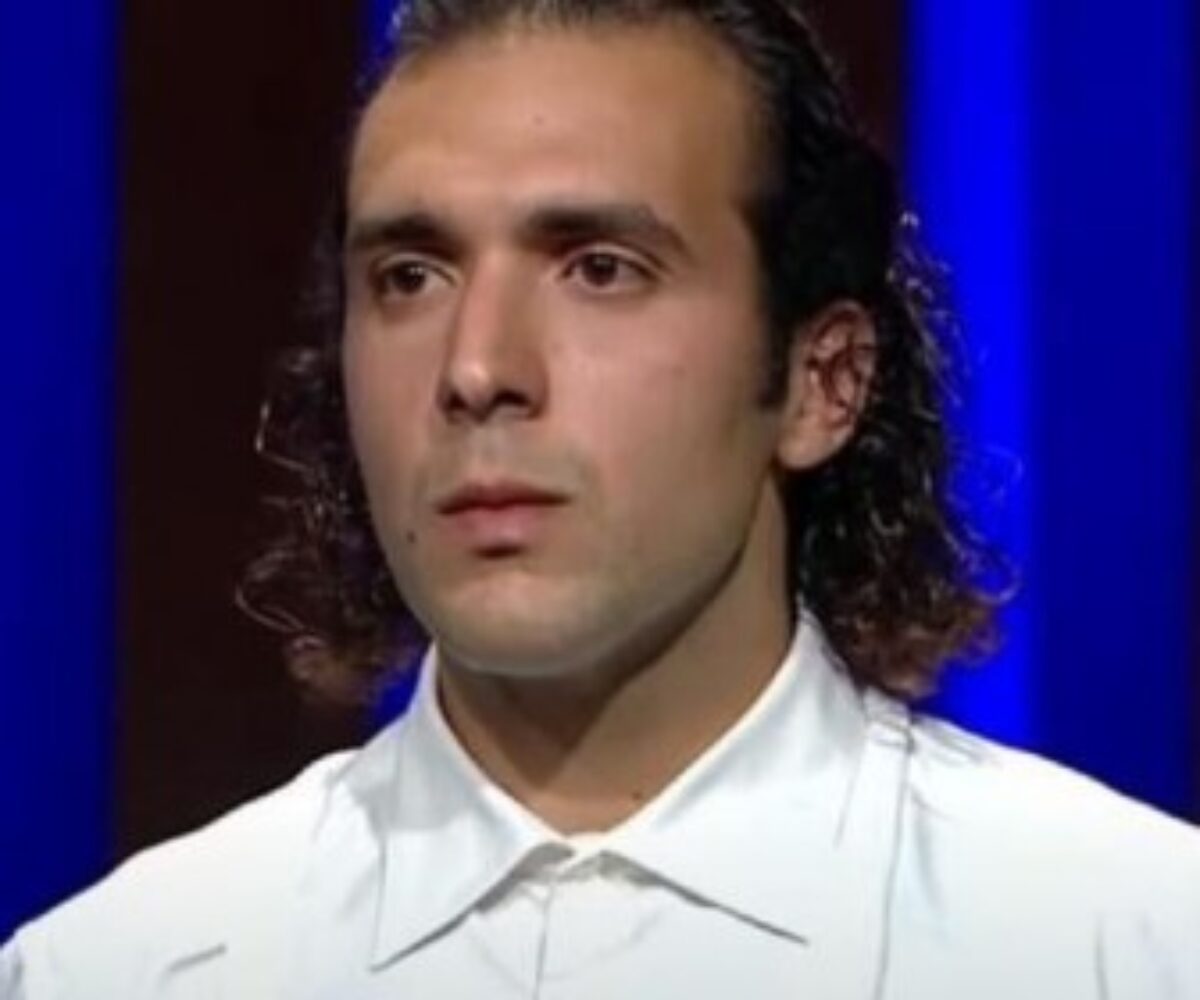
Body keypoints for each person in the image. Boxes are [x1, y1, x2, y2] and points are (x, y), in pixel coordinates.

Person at [3, 1, 1198, 997]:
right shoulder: (118, 972)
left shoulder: (1125, 945)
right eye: (411, 276)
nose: (478, 368)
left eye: (600, 269)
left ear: (821, 380)